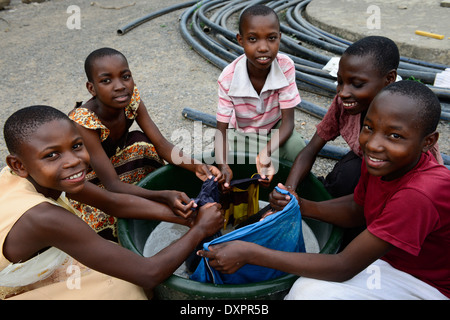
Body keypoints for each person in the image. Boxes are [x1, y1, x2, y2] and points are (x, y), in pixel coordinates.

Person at [198, 81, 450, 300]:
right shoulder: (385, 165)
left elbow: (344, 266)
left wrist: (249, 252)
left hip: (427, 284)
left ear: (428, 142)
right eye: (369, 128)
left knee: (307, 293)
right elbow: (358, 210)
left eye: (394, 136)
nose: (373, 145)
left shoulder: (419, 194)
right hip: (393, 261)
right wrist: (301, 206)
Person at [0, 105, 224, 300]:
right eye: (51, 155)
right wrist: (200, 229)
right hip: (10, 287)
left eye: (77, 146)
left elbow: (111, 202)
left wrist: (176, 207)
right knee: (126, 287)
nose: (73, 161)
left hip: (23, 266)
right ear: (18, 164)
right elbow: (147, 273)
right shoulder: (44, 217)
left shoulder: (24, 176)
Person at [69, 47, 221, 240]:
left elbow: (162, 145)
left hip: (114, 165)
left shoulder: (132, 99)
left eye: (125, 76)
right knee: (107, 224)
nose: (119, 86)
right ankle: (150, 202)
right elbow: (112, 185)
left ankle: (146, 196)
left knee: (142, 143)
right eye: (106, 81)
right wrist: (163, 196)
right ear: (91, 88)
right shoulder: (84, 122)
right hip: (93, 180)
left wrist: (198, 166)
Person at [275, 36, 443, 199]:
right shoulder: (343, 105)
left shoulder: (407, 115)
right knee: (347, 174)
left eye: (357, 84)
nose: (343, 93)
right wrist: (288, 191)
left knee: (352, 174)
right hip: (369, 169)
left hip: (402, 185)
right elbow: (311, 148)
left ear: (389, 79)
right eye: (340, 82)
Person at [214, 5, 305, 189]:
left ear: (279, 38)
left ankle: (291, 189)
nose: (263, 48)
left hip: (275, 129)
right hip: (241, 133)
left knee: (298, 148)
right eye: (253, 39)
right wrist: (223, 165)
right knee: (225, 159)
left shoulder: (285, 66)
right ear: (241, 40)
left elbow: (288, 122)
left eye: (271, 38)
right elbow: (221, 132)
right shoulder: (228, 78)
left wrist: (266, 152)